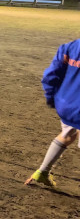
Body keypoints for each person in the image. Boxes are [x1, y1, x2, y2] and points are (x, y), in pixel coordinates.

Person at [26, 39, 80, 186]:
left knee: (67, 135)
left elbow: (51, 75)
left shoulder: (69, 47)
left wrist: (51, 98)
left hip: (66, 105)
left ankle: (42, 171)